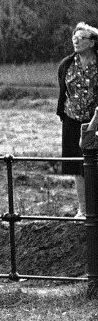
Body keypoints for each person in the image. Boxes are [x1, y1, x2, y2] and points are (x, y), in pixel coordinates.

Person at [56, 22, 98, 218]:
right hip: (72, 122)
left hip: (95, 121)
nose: (76, 41)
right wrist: (63, 115)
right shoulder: (67, 64)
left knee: (94, 164)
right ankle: (83, 210)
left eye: (81, 38)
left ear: (92, 42)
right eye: (74, 38)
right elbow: (63, 92)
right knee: (77, 166)